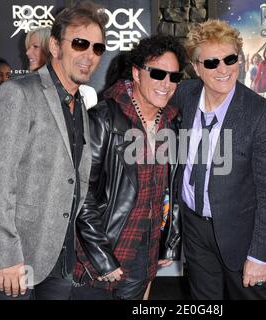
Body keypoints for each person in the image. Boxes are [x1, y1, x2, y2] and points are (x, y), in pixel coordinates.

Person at [0, 0, 106, 300]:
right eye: (80, 43)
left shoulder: (78, 103)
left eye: (97, 48)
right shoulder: (16, 93)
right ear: (55, 46)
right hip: (15, 259)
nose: (89, 55)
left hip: (59, 256)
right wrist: (5, 257)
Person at [170, 19, 266, 300]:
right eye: (211, 63)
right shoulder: (182, 94)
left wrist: (259, 255)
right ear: (196, 67)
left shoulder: (262, 115)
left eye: (230, 59)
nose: (223, 69)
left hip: (240, 234)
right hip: (194, 227)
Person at [72, 35, 186, 300]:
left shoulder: (172, 122)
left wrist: (168, 242)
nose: (166, 84)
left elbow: (171, 189)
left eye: (174, 77)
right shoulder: (103, 118)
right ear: (136, 73)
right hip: (100, 256)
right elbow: (81, 191)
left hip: (143, 259)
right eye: (158, 74)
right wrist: (102, 257)